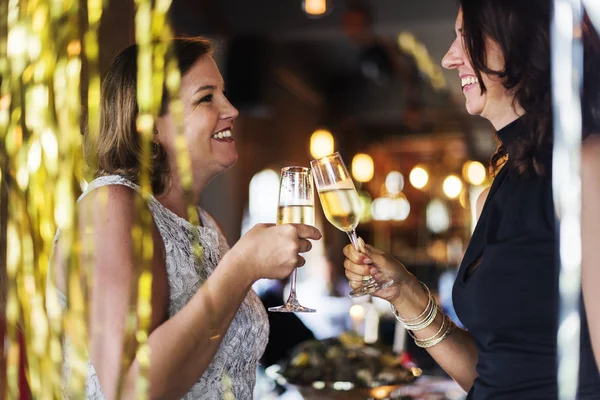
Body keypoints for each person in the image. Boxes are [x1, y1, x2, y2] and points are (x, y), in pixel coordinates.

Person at [343, 1, 600, 398]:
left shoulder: (587, 168)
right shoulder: (493, 193)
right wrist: (404, 291)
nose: (449, 58)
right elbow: (495, 376)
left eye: (466, 37)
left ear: (520, 38)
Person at [46, 37, 321, 400]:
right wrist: (241, 268)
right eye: (206, 97)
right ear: (150, 126)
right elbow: (129, 390)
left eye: (223, 93)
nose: (232, 109)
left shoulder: (207, 225)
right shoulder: (110, 207)